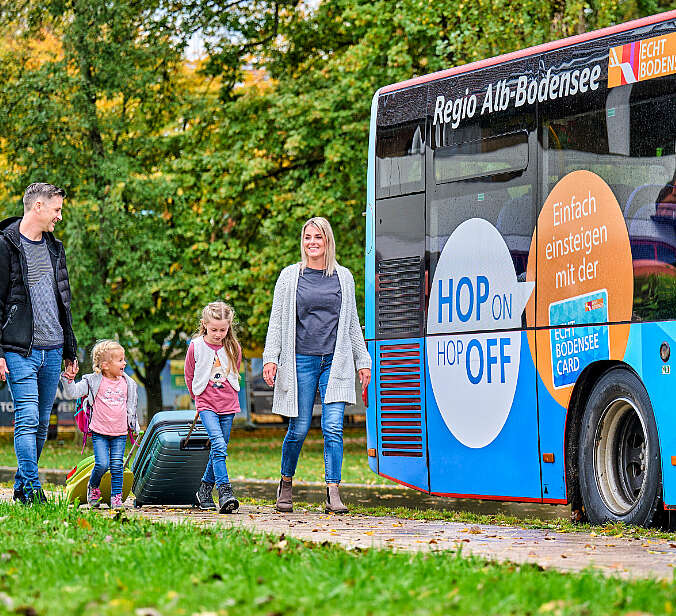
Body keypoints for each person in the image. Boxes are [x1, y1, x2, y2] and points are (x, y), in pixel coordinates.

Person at [263, 216, 371, 514]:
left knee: (333, 427)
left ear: (327, 241)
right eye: (308, 237)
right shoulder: (289, 277)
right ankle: (286, 483)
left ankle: (333, 491)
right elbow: (276, 320)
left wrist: (363, 361)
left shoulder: (343, 277)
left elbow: (351, 324)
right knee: (297, 429)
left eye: (318, 237)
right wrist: (271, 357)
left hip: (335, 363)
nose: (312, 242)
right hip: (300, 362)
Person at [0, 182, 78, 504]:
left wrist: (70, 350)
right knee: (28, 417)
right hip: (19, 349)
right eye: (57, 209)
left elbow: (64, 300)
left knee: (42, 424)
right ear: (38, 207)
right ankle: (32, 489)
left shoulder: (55, 248)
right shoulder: (5, 246)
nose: (59, 216)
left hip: (53, 346)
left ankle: (21, 485)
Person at [61, 340, 139, 509]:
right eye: (120, 360)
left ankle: (116, 499)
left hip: (120, 432)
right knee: (102, 464)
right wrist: (68, 380)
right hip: (100, 432)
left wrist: (134, 425)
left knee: (118, 465)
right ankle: (93, 487)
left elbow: (131, 407)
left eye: (123, 359)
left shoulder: (128, 383)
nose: (124, 363)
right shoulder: (93, 381)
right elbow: (73, 393)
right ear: (105, 365)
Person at [184, 301, 241, 514]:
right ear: (204, 325)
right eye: (214, 329)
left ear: (229, 327)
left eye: (223, 330)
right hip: (206, 404)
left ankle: (204, 490)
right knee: (218, 443)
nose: (218, 334)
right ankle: (225, 491)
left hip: (228, 404)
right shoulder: (196, 346)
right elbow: (189, 374)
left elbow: (234, 371)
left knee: (220, 447)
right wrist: (196, 398)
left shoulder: (233, 347)